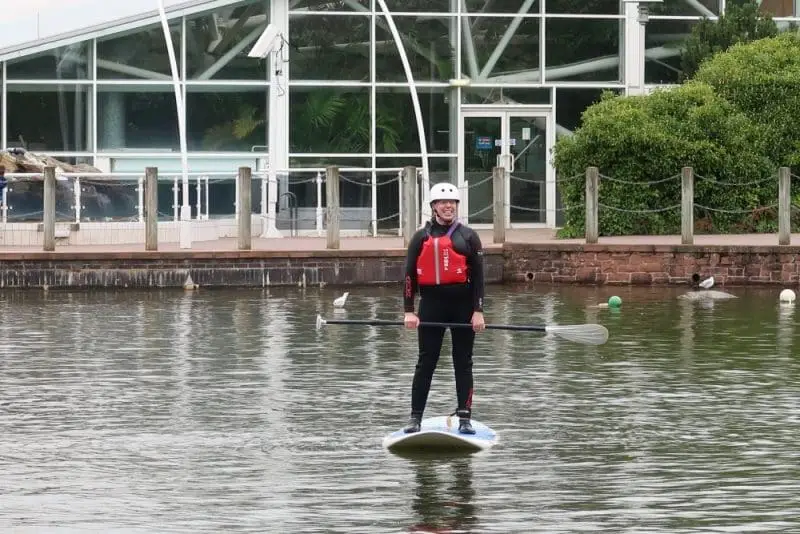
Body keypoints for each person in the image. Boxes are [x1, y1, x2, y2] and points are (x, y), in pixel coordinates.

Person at [402, 181, 486, 435]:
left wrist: (478, 310)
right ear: (434, 207)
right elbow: (409, 277)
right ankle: (415, 418)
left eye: (452, 203)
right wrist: (408, 310)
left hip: (463, 308)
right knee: (426, 362)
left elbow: (480, 278)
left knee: (463, 362)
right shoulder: (420, 238)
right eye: (443, 202)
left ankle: (465, 418)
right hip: (431, 307)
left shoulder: (469, 237)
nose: (448, 206)